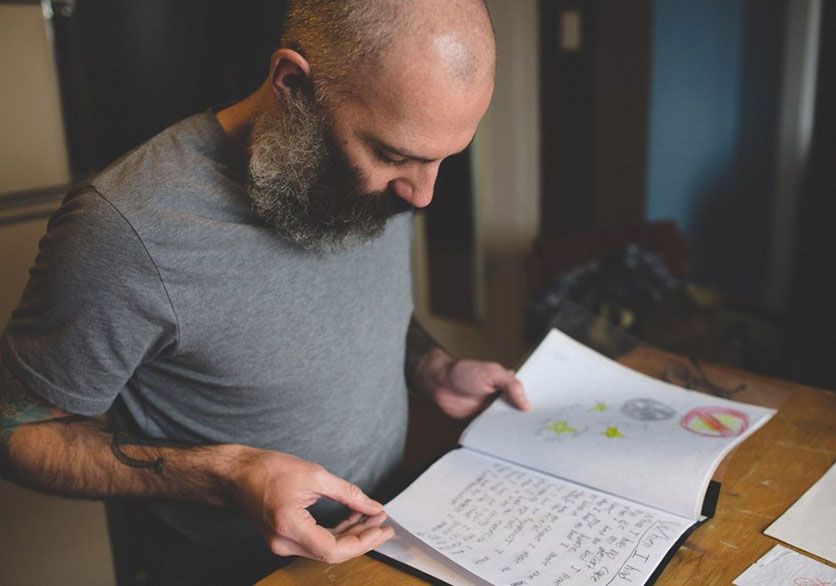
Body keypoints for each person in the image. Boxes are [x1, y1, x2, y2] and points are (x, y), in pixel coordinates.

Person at [0, 0, 529, 583]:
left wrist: (432, 366)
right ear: (293, 84)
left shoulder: (389, 170)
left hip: (384, 542)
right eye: (395, 155)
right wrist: (225, 473)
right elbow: (15, 431)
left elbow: (344, 309)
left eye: (443, 160)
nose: (421, 196)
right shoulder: (124, 231)